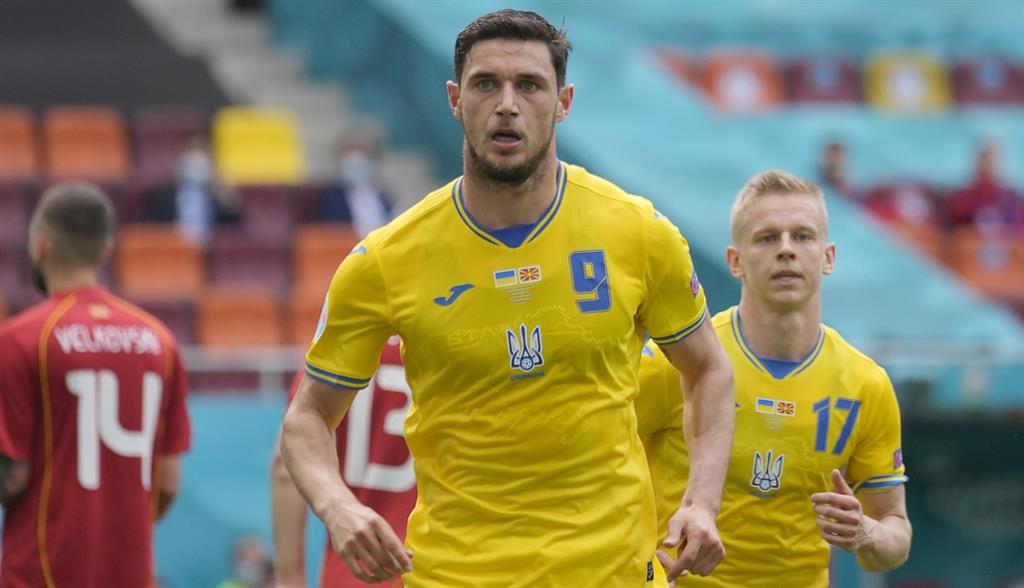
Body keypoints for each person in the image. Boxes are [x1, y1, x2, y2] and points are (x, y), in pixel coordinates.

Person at [281, 9, 735, 587]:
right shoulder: (384, 262)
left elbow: (709, 368)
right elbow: (306, 418)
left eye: (530, 85)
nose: (507, 104)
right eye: (485, 84)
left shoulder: (638, 233)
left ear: (564, 102)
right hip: (455, 575)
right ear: (454, 99)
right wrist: (337, 506)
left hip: (613, 572)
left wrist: (702, 502)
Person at [635, 170, 912, 586]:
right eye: (767, 238)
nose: (786, 250)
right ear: (735, 261)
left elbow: (895, 536)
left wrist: (866, 532)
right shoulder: (681, 360)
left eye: (802, 236)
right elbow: (598, 462)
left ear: (828, 257)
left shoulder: (865, 384)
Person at [0, 182, 191, 587]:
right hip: (130, 573)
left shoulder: (21, 339)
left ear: (40, 247)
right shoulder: (158, 339)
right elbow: (168, 480)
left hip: (42, 572)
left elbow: (11, 476)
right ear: (106, 249)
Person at [271, 336, 414, 588]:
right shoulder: (453, 345)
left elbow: (285, 463)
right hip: (438, 567)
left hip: (355, 570)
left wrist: (289, 578)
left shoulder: (346, 337)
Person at [139, 136, 241, 244]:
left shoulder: (217, 196)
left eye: (201, 166)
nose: (197, 169)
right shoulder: (162, 196)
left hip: (210, 249)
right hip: (173, 248)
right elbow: (147, 229)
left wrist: (227, 202)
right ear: (180, 165)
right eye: (192, 165)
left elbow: (235, 233)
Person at [316, 131, 394, 238]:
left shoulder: (383, 196)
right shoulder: (328, 197)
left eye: (362, 150)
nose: (356, 157)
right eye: (350, 150)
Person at [946, 140, 1024, 230]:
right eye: (984, 158)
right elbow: (949, 230)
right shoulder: (961, 199)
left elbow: (1020, 231)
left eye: (993, 160)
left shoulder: (1012, 200)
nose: (987, 164)